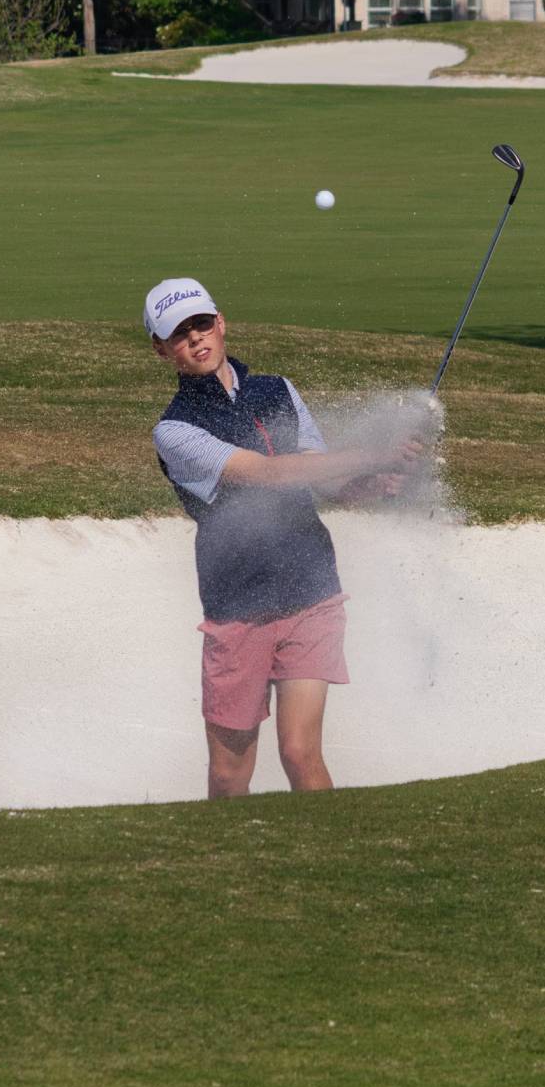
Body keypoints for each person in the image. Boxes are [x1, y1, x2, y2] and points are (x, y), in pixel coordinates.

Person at [146, 278, 419, 799]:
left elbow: (318, 475)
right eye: (179, 335)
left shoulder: (278, 390)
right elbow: (266, 474)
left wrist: (374, 483)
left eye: (202, 324)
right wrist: (371, 452)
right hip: (238, 605)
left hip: (311, 588)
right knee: (230, 773)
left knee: (300, 751)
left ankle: (325, 865)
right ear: (162, 350)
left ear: (221, 323)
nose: (196, 339)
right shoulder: (175, 431)